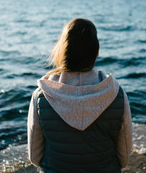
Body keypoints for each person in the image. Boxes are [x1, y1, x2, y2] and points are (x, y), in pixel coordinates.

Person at [27, 18, 132, 173]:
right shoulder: (116, 93)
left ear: (62, 52)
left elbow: (35, 157)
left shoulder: (42, 95)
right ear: (96, 53)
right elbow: (124, 158)